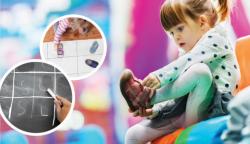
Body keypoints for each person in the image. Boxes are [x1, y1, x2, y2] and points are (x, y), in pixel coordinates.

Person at [120, 0, 240, 143]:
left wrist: (160, 77)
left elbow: (189, 60)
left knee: (200, 72)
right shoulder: (186, 52)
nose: (175, 37)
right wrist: (155, 110)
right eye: (171, 32)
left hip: (212, 110)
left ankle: (149, 97)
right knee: (132, 135)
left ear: (201, 22)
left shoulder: (217, 39)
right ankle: (148, 101)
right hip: (186, 111)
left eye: (180, 29)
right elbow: (177, 89)